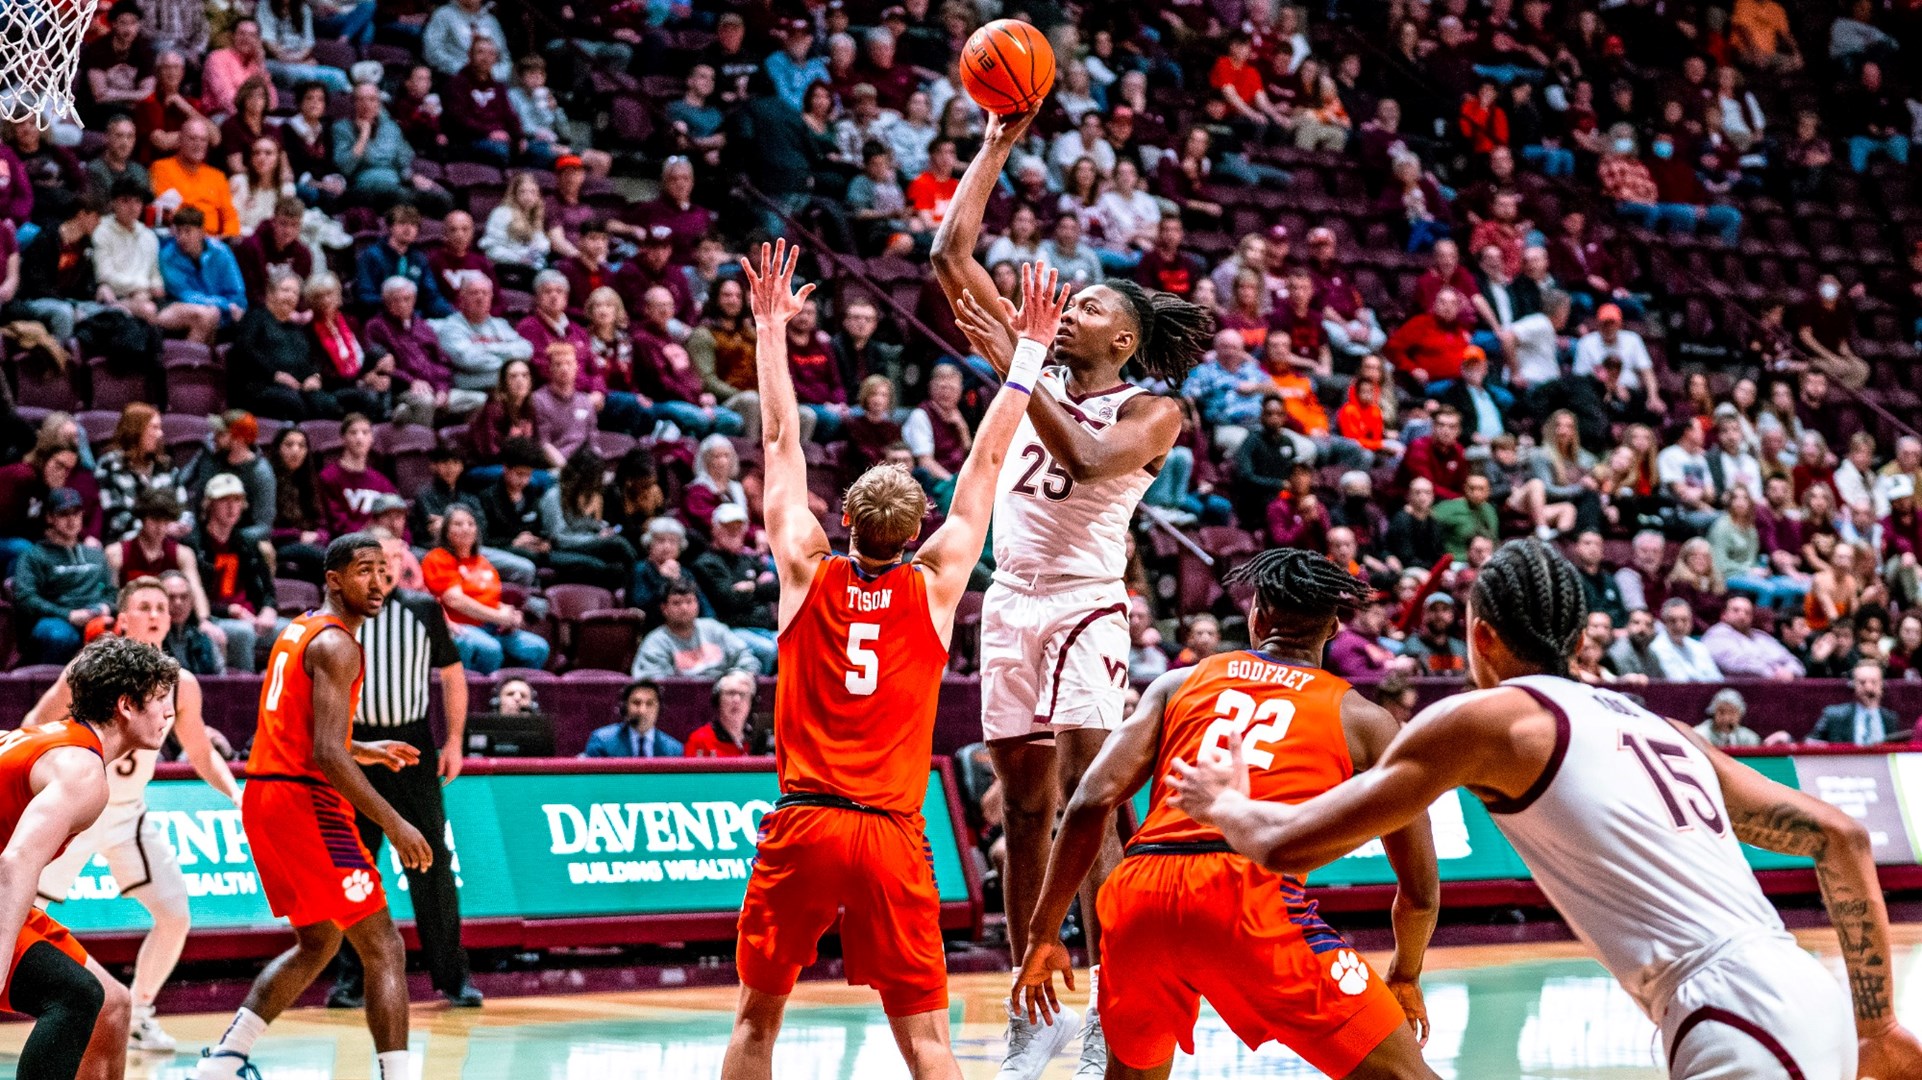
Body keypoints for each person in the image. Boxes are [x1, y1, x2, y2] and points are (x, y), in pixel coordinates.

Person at [1164, 538, 1922, 1080]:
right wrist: (1879, 1025)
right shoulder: (1663, 727)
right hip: (1803, 994)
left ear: (1481, 635)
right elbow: (1840, 836)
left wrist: (1225, 802)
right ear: (1575, 634)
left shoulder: (1489, 721)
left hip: (1731, 1013)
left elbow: (1289, 846)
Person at [933, 102, 1215, 1080]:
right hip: (1008, 600)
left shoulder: (1153, 409)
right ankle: (1031, 998)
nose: (1072, 311)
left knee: (1091, 808)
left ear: (1125, 340)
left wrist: (1019, 370)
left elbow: (1089, 461)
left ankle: (1114, 994)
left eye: (1091, 306)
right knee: (1021, 809)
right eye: (1075, 301)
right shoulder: (1036, 365)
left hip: (1087, 603)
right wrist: (995, 144)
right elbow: (949, 255)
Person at [722, 238, 1042, 1079]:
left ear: (844, 521)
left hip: (805, 821)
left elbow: (780, 439)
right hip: (891, 832)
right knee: (929, 1044)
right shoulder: (934, 588)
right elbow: (985, 464)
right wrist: (1030, 353)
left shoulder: (805, 571)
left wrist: (768, 327)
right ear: (915, 534)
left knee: (755, 1026)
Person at [1011, 548, 1438, 1080]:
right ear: (1332, 629)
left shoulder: (1176, 684)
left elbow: (1088, 802)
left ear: (1257, 616)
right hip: (1248, 897)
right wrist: (1406, 973)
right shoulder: (1365, 720)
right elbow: (1419, 890)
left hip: (1141, 894)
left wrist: (1044, 933)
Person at [191, 535, 429, 1080]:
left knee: (319, 940)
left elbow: (299, 728)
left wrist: (361, 747)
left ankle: (224, 1060)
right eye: (364, 570)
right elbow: (326, 755)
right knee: (384, 946)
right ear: (334, 579)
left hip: (267, 794)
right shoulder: (339, 645)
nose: (377, 582)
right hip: (304, 802)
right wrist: (394, 823)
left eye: (383, 570)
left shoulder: (298, 629)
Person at [26, 577, 238, 1052]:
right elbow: (34, 724)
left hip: (128, 815)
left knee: (175, 914)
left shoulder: (181, 684)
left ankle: (139, 1014)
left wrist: (235, 795)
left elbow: (200, 750)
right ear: (123, 619)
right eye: (145, 606)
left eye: (162, 607)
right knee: (21, 913)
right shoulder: (90, 670)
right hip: (76, 810)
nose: (156, 614)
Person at [0, 635, 178, 1079]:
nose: (169, 712)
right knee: (75, 995)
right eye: (159, 699)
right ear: (126, 705)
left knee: (112, 1006)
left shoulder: (45, 737)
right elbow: (15, 864)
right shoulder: (83, 771)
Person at [325, 545, 478, 1011]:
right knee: (354, 864)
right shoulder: (336, 617)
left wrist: (454, 741)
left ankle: (452, 978)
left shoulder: (423, 611)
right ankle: (351, 979)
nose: (380, 572)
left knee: (432, 862)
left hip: (412, 747)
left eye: (388, 563)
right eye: (369, 566)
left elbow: (452, 675)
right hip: (355, 748)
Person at [419, 504, 549, 673]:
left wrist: (510, 615)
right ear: (446, 532)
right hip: (458, 625)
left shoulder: (483, 562)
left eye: (471, 524)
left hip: (492, 626)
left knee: (538, 648)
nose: (466, 528)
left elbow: (490, 601)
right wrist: (497, 616)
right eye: (458, 524)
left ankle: (512, 686)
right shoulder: (437, 558)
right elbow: (455, 600)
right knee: (490, 650)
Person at [16, 488, 116, 664]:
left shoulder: (95, 554)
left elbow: (111, 592)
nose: (71, 520)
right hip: (59, 619)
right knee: (58, 635)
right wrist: (68, 614)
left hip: (96, 617)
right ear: (49, 518)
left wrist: (105, 607)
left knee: (126, 631)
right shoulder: (34, 555)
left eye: (76, 513)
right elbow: (26, 598)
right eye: (63, 514)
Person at [194, 473, 280, 674]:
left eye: (237, 500)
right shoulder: (195, 545)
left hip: (251, 616)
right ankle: (245, 688)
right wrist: (229, 610)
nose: (232, 507)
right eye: (224, 500)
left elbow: (268, 590)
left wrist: (268, 609)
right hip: (215, 618)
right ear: (209, 504)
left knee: (293, 631)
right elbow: (193, 598)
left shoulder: (247, 543)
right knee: (243, 633)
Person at [630, 580, 760, 680]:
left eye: (689, 601)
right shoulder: (655, 642)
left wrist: (740, 678)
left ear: (697, 604)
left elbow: (746, 657)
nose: (684, 608)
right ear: (664, 608)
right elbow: (654, 683)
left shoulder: (714, 629)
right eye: (677, 603)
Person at [582, 679, 682, 757]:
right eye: (636, 703)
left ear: (659, 709)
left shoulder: (674, 750)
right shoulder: (602, 742)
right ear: (624, 707)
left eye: (649, 704)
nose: (642, 711)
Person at [1809, 659, 1899, 745]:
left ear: (1882, 685)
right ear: (1853, 685)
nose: (1868, 688)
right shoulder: (1834, 716)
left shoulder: (1890, 719)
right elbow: (1810, 743)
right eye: (1862, 682)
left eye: (1874, 682)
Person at [1647, 596, 1723, 683]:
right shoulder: (1657, 648)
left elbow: (1717, 679)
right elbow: (1679, 681)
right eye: (1673, 620)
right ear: (1664, 622)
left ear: (1691, 621)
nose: (1679, 625)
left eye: (1684, 620)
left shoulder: (1699, 647)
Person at [1696, 689, 1763, 749]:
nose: (1726, 718)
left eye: (1732, 712)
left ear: (1740, 714)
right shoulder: (1700, 734)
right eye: (1721, 712)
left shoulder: (1749, 739)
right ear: (1713, 712)